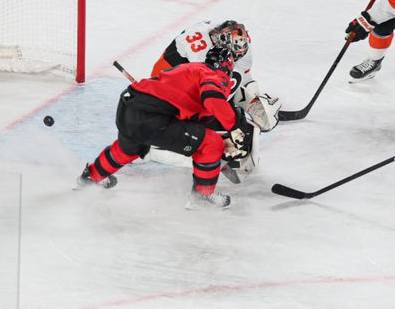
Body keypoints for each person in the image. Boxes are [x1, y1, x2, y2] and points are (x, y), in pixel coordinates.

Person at [77, 47, 254, 209]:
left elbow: (192, 110)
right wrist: (234, 126)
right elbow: (212, 98)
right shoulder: (213, 74)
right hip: (150, 117)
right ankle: (202, 195)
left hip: (129, 106)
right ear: (227, 66)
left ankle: (91, 176)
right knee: (212, 143)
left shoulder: (191, 68)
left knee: (127, 150)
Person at [152, 19, 281, 132]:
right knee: (211, 92)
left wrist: (254, 96)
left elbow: (244, 74)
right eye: (232, 52)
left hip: (194, 72)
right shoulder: (199, 49)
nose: (237, 55)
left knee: (232, 77)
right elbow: (202, 83)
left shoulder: (241, 43)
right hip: (165, 75)